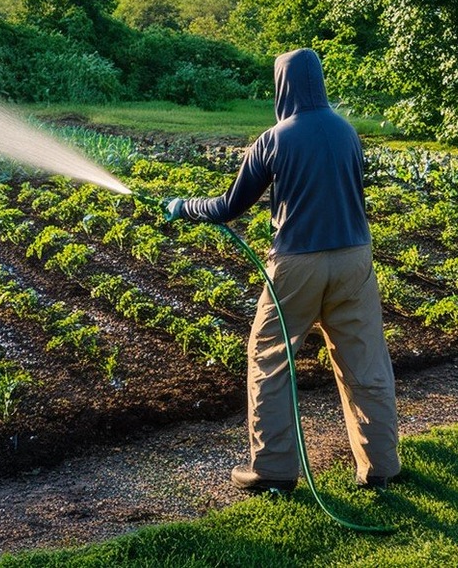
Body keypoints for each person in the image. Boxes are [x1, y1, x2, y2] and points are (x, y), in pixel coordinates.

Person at [163, 47, 400, 494]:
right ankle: (381, 467)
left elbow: (228, 207)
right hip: (355, 259)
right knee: (365, 362)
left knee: (270, 357)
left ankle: (272, 470)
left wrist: (183, 206)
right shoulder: (348, 132)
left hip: (297, 264)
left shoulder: (274, 139)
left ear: (282, 84)